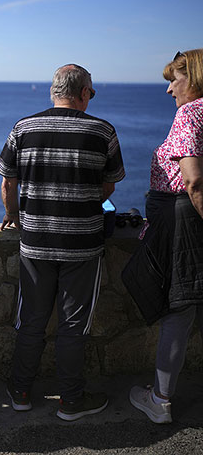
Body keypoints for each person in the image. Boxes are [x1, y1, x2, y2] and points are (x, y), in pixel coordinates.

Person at [0, 64, 125, 421]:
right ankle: (70, 400)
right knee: (73, 324)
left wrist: (16, 215)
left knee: (31, 320)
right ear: (83, 92)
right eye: (91, 93)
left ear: (53, 92)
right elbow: (110, 185)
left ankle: (20, 392)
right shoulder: (102, 131)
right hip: (83, 244)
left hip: (35, 242)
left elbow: (8, 183)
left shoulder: (24, 127)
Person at [128, 49, 203, 424]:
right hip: (187, 219)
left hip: (182, 221)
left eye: (175, 79)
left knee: (179, 308)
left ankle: (160, 399)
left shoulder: (190, 112)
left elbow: (193, 178)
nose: (170, 89)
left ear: (196, 77)